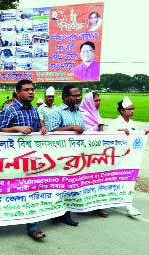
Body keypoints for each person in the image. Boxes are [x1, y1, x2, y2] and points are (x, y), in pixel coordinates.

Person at [0, 79, 47, 241]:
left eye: (32, 89)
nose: (31, 92)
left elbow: (37, 126)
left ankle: (33, 226)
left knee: (32, 190)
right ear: (18, 92)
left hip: (31, 160)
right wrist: (16, 129)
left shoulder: (34, 110)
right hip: (12, 160)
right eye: (26, 90)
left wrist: (42, 127)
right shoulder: (9, 110)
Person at [45, 84, 85, 227]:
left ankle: (63, 213)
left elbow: (84, 130)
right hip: (61, 157)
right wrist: (71, 128)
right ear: (66, 97)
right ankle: (60, 214)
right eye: (74, 95)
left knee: (70, 185)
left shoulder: (78, 112)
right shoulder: (56, 112)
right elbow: (52, 130)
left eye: (78, 95)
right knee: (60, 185)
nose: (77, 98)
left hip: (76, 156)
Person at [106, 96, 149, 217]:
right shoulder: (114, 123)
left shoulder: (133, 123)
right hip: (116, 159)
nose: (132, 111)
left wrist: (142, 134)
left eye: (133, 109)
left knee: (128, 181)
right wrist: (119, 131)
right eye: (130, 109)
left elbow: (135, 138)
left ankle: (128, 206)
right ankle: (112, 200)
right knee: (114, 180)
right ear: (122, 110)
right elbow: (107, 138)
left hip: (128, 159)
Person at [79, 91, 109, 217]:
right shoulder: (83, 114)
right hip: (85, 153)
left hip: (98, 153)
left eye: (99, 100)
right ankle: (82, 205)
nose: (98, 103)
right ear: (89, 102)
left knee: (98, 179)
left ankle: (97, 205)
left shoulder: (96, 114)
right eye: (96, 101)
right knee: (85, 179)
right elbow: (82, 132)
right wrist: (96, 128)